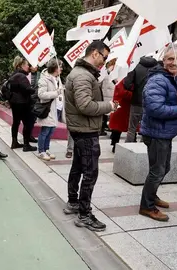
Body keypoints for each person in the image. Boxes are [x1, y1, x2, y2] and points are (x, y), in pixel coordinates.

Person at [63, 41, 117, 232]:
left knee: (78, 167)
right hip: (85, 131)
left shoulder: (81, 74)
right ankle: (84, 214)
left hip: (81, 129)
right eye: (104, 57)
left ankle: (73, 202)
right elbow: (85, 105)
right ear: (95, 53)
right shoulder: (83, 76)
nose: (105, 61)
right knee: (90, 172)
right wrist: (109, 107)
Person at [139, 45, 177, 222]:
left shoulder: (173, 78)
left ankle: (153, 196)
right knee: (157, 170)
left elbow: (166, 99)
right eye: (170, 59)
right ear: (163, 60)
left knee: (163, 168)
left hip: (164, 132)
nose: (174, 62)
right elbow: (154, 108)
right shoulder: (159, 79)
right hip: (156, 133)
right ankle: (147, 206)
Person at [123, 56, 158, 143]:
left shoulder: (136, 66)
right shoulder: (157, 68)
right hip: (151, 102)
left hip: (136, 101)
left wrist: (134, 89)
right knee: (146, 128)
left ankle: (129, 148)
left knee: (132, 128)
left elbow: (126, 84)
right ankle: (143, 149)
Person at [8, 56, 38, 152]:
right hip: (23, 103)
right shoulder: (21, 76)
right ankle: (26, 144)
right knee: (27, 123)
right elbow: (28, 89)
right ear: (21, 65)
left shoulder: (14, 74)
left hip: (14, 102)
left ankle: (14, 142)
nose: (28, 67)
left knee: (16, 122)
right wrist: (35, 90)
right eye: (26, 65)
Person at [36, 58, 63, 161]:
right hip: (48, 109)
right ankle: (41, 151)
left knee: (51, 130)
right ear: (55, 68)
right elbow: (41, 94)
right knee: (45, 130)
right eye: (60, 66)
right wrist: (56, 93)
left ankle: (46, 149)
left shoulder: (57, 78)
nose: (61, 69)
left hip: (57, 108)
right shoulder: (44, 79)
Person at [109, 80, 133, 153]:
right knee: (118, 126)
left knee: (122, 125)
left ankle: (115, 143)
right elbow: (122, 92)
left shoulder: (125, 80)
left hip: (120, 104)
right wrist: (134, 95)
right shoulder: (125, 81)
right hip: (120, 105)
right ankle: (115, 144)